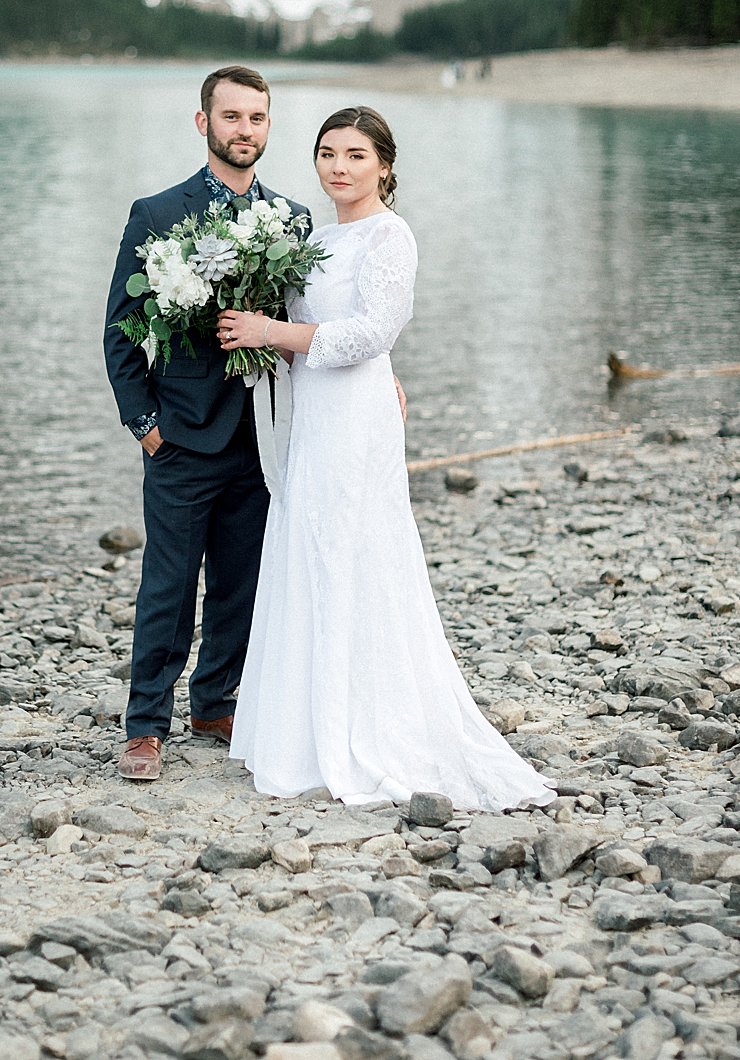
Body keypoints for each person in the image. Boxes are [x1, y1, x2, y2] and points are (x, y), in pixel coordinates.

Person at [217, 107, 555, 809]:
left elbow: (371, 329)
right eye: (327, 153)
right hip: (312, 410)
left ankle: (363, 726)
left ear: (384, 167)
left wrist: (275, 329)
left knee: (351, 544)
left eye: (355, 155)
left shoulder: (389, 235)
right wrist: (261, 332)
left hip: (355, 416)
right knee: (308, 540)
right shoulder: (313, 236)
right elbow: (315, 332)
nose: (338, 167)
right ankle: (300, 728)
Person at [103, 66, 310, 781]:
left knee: (239, 584)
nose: (243, 129)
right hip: (182, 437)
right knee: (167, 582)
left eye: (255, 117)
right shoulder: (157, 213)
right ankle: (144, 726)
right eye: (230, 116)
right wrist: (145, 425)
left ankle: (216, 702)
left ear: (267, 126)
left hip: (259, 437)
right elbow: (121, 334)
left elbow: (307, 328)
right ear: (204, 123)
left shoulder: (292, 220)